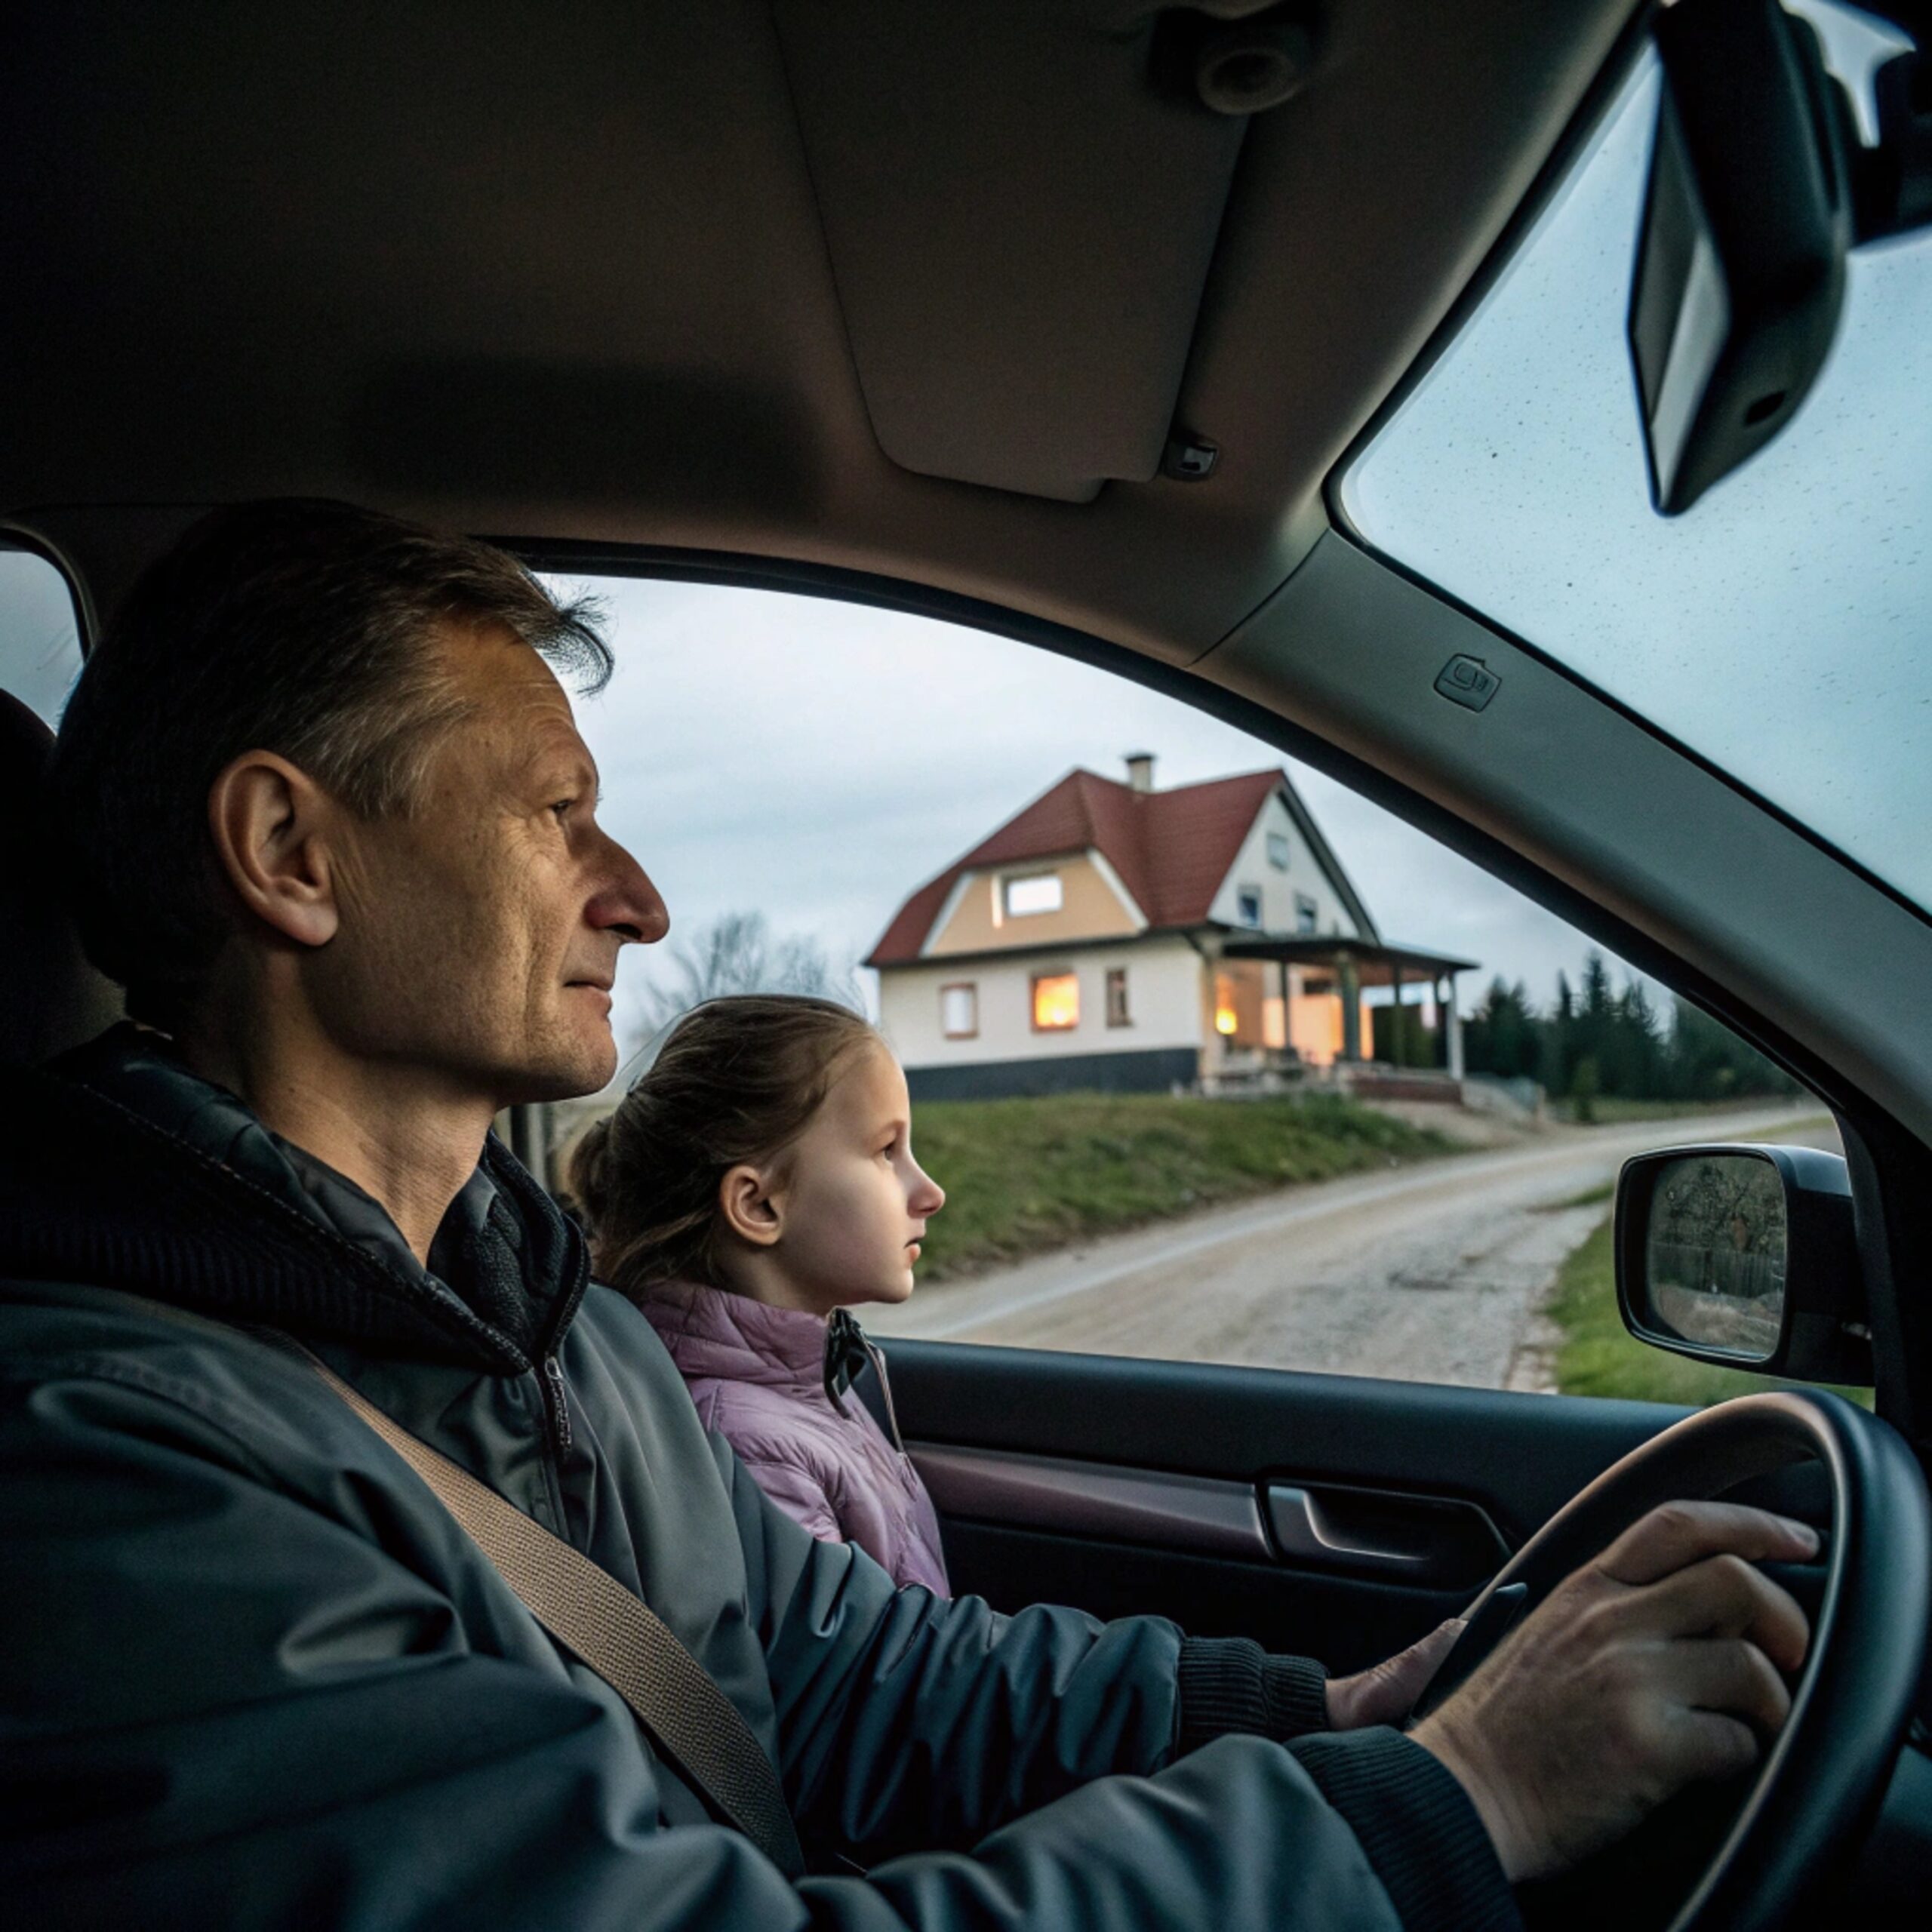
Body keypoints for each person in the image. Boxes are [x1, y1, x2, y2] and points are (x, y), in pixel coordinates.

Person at [0, 500, 1819, 1930]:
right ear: (293, 854)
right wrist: (1452, 1800)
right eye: (560, 812)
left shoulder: (559, 1329)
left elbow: (868, 1673)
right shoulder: (109, 1477)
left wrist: (1346, 1704)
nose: (635, 894)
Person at [568, 994, 953, 1593]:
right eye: (886, 1151)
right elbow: (844, 1679)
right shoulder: (749, 1449)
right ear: (759, 1204)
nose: (930, 1192)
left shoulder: (811, 1382)